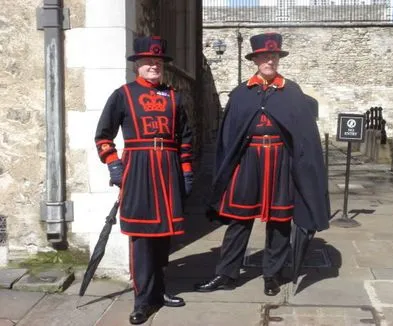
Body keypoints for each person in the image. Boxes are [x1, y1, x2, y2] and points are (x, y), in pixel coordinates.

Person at [194, 32, 330, 296]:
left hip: (280, 162)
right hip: (247, 162)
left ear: (278, 58)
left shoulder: (292, 92)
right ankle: (226, 273)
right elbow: (228, 135)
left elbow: (304, 136)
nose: (270, 60)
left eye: (274, 56)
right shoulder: (241, 93)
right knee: (238, 219)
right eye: (265, 56)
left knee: (279, 221)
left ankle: (272, 273)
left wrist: (303, 170)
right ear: (255, 59)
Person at [95, 36, 193, 325]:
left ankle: (159, 291)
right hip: (138, 170)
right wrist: (114, 165)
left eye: (159, 62)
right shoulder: (123, 95)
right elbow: (103, 135)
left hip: (168, 170)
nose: (154, 66)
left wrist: (186, 171)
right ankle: (142, 300)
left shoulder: (174, 96)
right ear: (137, 65)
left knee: (164, 236)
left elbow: (185, 138)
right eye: (149, 62)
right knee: (141, 238)